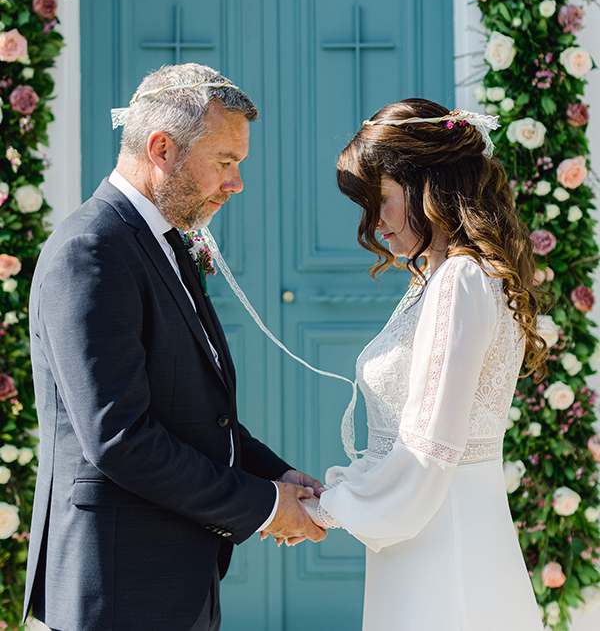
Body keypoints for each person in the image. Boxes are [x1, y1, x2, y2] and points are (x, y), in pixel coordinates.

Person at [24, 63, 326, 631]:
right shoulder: (91, 250)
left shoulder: (162, 241)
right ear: (161, 148)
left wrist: (277, 478)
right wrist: (263, 507)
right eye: (225, 162)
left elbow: (194, 414)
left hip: (176, 578)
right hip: (118, 583)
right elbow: (120, 438)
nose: (236, 184)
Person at [303, 98, 546, 630]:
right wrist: (339, 493)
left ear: (427, 186)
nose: (374, 223)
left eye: (382, 200)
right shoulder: (442, 277)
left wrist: (322, 510)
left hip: (441, 541)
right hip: (433, 529)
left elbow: (426, 454)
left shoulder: (459, 279)